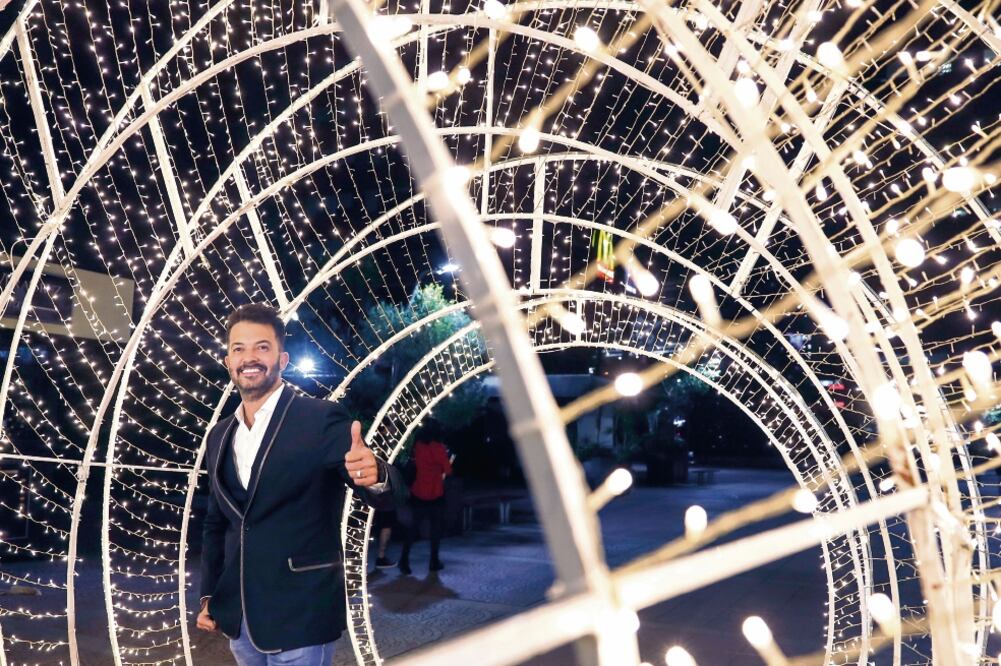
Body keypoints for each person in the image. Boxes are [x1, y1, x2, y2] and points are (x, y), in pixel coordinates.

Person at [196, 303, 395, 665]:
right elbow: (217, 523)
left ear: (283, 359)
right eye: (238, 349)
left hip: (301, 613)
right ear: (228, 361)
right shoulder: (218, 435)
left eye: (262, 347)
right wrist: (209, 594)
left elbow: (381, 492)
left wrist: (376, 475)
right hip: (240, 619)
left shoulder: (319, 418)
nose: (249, 358)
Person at [398, 426, 452, 575]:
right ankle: (434, 561)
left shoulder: (417, 447)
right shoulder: (439, 448)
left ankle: (404, 560)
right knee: (436, 529)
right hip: (436, 493)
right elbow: (448, 470)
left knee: (413, 529)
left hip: (418, 492)